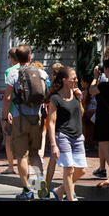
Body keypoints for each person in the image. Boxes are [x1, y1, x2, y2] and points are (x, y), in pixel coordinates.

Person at [2, 44, 49, 200]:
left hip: (19, 118)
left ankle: (27, 190)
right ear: (30, 57)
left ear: (17, 57)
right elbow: (47, 95)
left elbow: (8, 97)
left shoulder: (13, 74)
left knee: (22, 155)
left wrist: (4, 117)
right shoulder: (42, 73)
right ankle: (40, 181)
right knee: (35, 152)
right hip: (37, 118)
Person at [48, 66, 87, 201]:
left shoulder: (76, 94)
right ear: (64, 80)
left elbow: (81, 114)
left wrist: (80, 98)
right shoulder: (55, 98)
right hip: (63, 136)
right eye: (73, 78)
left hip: (77, 136)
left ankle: (60, 190)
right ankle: (71, 199)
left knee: (81, 170)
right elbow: (51, 123)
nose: (76, 80)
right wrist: (53, 144)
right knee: (69, 169)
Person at [89, 59, 109, 188]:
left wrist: (95, 77)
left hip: (104, 120)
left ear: (107, 69)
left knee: (105, 148)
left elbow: (91, 90)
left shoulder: (103, 86)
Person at [45, 62, 64, 195]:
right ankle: (66, 189)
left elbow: (46, 100)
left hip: (56, 125)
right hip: (66, 125)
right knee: (69, 163)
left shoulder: (52, 88)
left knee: (53, 160)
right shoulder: (66, 87)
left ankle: (46, 188)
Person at [0, 47, 19, 174]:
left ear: (11, 58)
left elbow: (9, 94)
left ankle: (11, 166)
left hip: (13, 109)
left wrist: (5, 114)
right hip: (29, 110)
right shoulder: (32, 69)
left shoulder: (9, 71)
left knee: (9, 138)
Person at [31, 61, 49, 158]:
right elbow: (48, 91)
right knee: (43, 131)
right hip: (43, 106)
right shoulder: (45, 78)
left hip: (31, 108)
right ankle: (41, 152)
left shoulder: (30, 77)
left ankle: (34, 151)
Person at [80, 74, 97, 151]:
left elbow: (84, 106)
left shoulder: (85, 92)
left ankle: (84, 142)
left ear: (86, 83)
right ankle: (91, 142)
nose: (80, 83)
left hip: (93, 114)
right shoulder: (95, 90)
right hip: (95, 114)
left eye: (82, 81)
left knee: (82, 119)